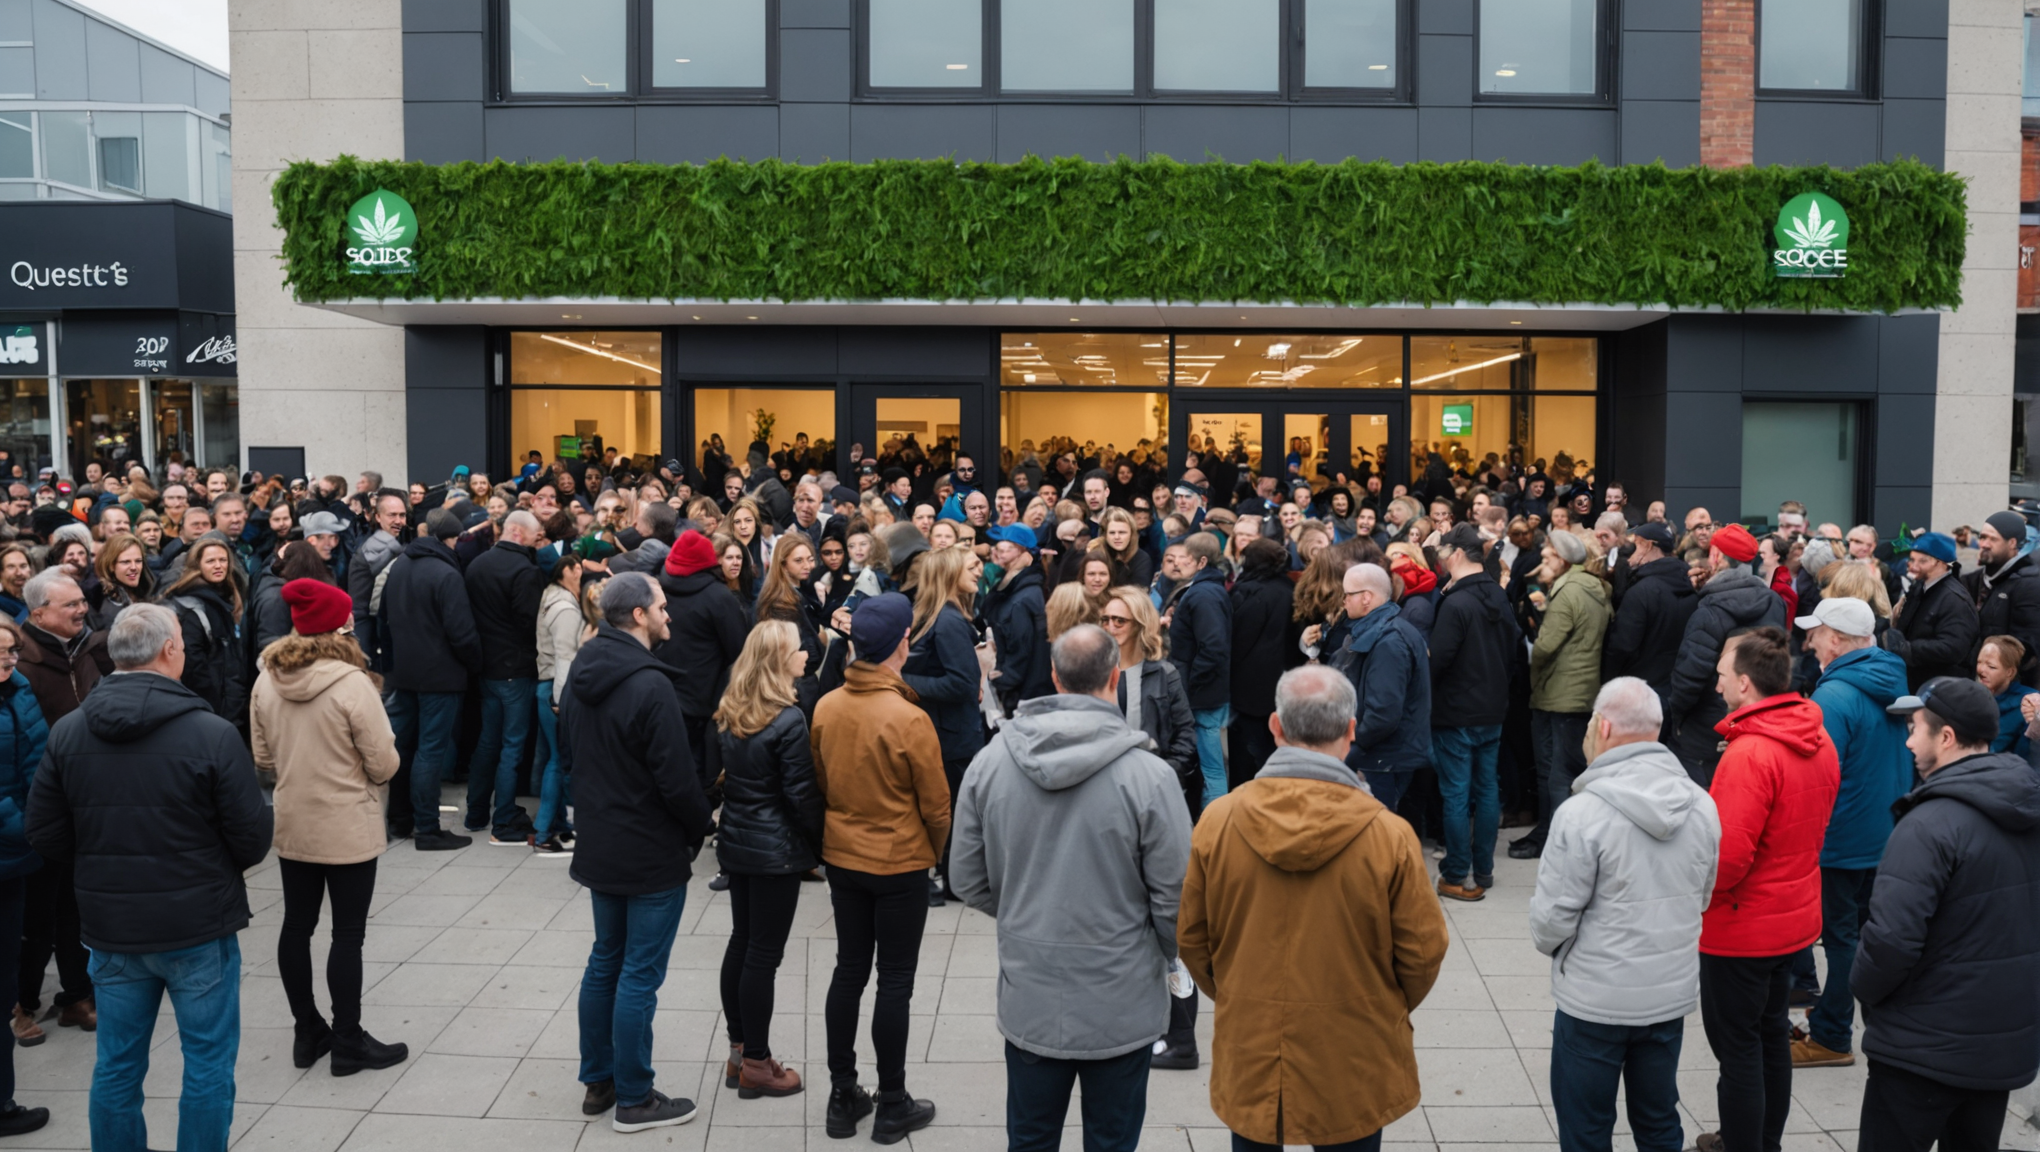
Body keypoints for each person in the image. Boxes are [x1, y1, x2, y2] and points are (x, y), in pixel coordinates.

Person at [26, 603, 272, 1152]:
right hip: (198, 928)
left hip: (114, 927)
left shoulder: (69, 731)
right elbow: (252, 836)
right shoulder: (209, 732)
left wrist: (100, 861)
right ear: (169, 650)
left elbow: (44, 830)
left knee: (116, 1065)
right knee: (207, 1064)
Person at [1177, 665, 1449, 1152]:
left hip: (1252, 1037)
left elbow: (1194, 937)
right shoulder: (1390, 835)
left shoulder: (1218, 821)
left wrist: (1239, 994)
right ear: (1351, 731)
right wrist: (1382, 1003)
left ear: (1276, 727)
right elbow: (1423, 951)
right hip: (1354, 1043)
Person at [948, 624, 1193, 1152]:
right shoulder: (1150, 776)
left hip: (1031, 989)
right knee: (1112, 1139)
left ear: (1054, 676)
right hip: (1122, 993)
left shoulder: (990, 762)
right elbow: (1174, 896)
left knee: (1031, 1137)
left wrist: (1024, 911)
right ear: (1114, 678)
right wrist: (1168, 953)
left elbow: (967, 877)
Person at [1529, 677, 1720, 1152]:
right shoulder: (1701, 804)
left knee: (1586, 1128)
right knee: (1658, 1122)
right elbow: (1703, 894)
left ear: (1605, 726)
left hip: (1595, 999)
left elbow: (1551, 919)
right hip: (1666, 995)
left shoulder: (1581, 813)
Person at [1853, 677, 2040, 1152]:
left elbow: (1890, 941)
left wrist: (1865, 994)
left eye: (1915, 728)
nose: (1909, 740)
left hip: (1922, 1050)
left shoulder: (1929, 824)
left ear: (1947, 737)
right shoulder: (2027, 803)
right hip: (1999, 1046)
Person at [560, 572, 714, 1132]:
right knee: (637, 974)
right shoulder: (650, 686)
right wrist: (700, 827)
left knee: (607, 960)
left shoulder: (585, 667)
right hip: (649, 851)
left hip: (604, 841)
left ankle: (599, 1080)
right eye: (664, 607)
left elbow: (568, 751)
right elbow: (677, 781)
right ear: (640, 617)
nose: (670, 614)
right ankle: (634, 1097)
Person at [248, 579, 408, 1076]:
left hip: (294, 820)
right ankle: (347, 1040)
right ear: (341, 627)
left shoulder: (265, 679)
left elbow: (262, 758)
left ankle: (306, 1030)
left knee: (296, 926)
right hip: (346, 824)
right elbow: (383, 763)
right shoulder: (352, 682)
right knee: (348, 933)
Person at [1693, 627, 1838, 1152]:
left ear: (1747, 684)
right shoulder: (1814, 737)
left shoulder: (1750, 753)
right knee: (1772, 1037)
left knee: (1738, 1052)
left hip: (1743, 927)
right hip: (1793, 917)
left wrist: (1694, 894)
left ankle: (1741, 1144)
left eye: (1722, 677)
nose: (1716, 686)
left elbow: (1727, 860)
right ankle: (1764, 1142)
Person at [809, 592, 946, 1144]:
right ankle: (892, 1102)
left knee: (849, 971)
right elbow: (936, 805)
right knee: (895, 981)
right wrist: (932, 853)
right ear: (901, 644)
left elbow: (821, 780)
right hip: (899, 861)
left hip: (844, 857)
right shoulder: (909, 717)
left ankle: (844, 1093)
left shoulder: (827, 707)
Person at [1788, 597, 1913, 1069]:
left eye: (1816, 633)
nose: (1810, 641)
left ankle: (1832, 1036)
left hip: (1841, 839)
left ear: (1836, 639)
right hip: (1882, 832)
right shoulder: (1888, 677)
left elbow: (1817, 773)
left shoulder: (1834, 695)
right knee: (1860, 936)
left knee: (1841, 940)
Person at [713, 620, 824, 1101]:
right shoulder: (787, 719)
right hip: (775, 850)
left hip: (738, 842)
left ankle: (740, 1050)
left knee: (742, 942)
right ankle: (758, 1062)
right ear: (781, 660)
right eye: (799, 650)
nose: (806, 655)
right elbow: (801, 796)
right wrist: (820, 845)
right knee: (764, 954)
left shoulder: (732, 708)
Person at [381, 507, 484, 849]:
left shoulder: (399, 566)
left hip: (402, 674)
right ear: (448, 539)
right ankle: (427, 828)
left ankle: (399, 819)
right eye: (456, 540)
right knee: (430, 751)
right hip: (439, 678)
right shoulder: (446, 574)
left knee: (403, 748)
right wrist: (474, 665)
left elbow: (382, 620)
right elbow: (462, 633)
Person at [1428, 524, 1520, 898]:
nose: (1438, 560)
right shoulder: (1496, 596)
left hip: (1457, 713)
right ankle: (1482, 871)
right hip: (1492, 709)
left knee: (1456, 794)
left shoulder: (1457, 603)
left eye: (1441, 553)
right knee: (1485, 791)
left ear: (1456, 555)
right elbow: (1513, 650)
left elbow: (1438, 662)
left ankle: (1456, 873)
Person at [1661, 523, 1788, 785]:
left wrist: (1677, 719)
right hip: (1756, 718)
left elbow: (1689, 677)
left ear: (1717, 556)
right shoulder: (1774, 602)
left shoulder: (1709, 611)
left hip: (1704, 729)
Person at [462, 509, 544, 844]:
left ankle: (476, 813)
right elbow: (530, 623)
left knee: (487, 742)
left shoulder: (478, 564)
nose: (538, 543)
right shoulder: (525, 571)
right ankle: (505, 817)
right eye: (537, 537)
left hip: (487, 668)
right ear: (520, 534)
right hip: (515, 669)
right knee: (512, 745)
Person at [652, 530, 749, 797]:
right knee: (694, 774)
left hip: (659, 694)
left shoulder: (657, 592)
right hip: (702, 702)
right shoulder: (719, 597)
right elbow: (740, 651)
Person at [1331, 563, 1431, 809]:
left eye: (1347, 594)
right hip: (1382, 756)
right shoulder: (1384, 629)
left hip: (1382, 759)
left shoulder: (1389, 641)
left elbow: (1383, 713)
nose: (1343, 601)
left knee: (1376, 837)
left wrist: (1350, 750)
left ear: (1366, 597)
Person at [0, 618, 46, 1135]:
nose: (9, 660)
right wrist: (21, 822)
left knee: (5, 977)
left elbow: (38, 758)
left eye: (13, 650)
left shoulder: (20, 691)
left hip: (16, 855)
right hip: (13, 835)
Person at [1167, 532, 1233, 807]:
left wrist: (1191, 684)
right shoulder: (1207, 590)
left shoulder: (1203, 595)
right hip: (1206, 692)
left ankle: (1215, 830)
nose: (1179, 562)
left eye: (1187, 558)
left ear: (1202, 561)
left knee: (1212, 768)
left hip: (1204, 696)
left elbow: (1213, 647)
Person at [1226, 537, 1296, 790]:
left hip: (1247, 692)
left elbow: (1236, 640)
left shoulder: (1246, 591)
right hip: (1280, 689)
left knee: (1244, 763)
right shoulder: (1289, 589)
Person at [162, 538, 250, 730]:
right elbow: (193, 663)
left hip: (229, 701)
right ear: (197, 565)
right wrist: (213, 702)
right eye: (211, 561)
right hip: (213, 707)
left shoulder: (223, 596)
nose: (219, 566)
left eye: (223, 560)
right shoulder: (192, 606)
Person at [1600, 521, 1697, 695]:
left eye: (1636, 546)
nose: (1630, 557)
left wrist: (1607, 682)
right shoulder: (1691, 585)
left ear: (1648, 546)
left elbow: (1622, 646)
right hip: (1678, 686)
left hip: (1640, 690)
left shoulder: (1641, 592)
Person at [530, 552, 586, 854]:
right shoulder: (566, 609)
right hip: (555, 688)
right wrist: (562, 700)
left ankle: (561, 827)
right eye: (580, 567)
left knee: (554, 759)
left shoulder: (550, 596)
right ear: (572, 570)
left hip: (546, 686)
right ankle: (542, 834)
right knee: (558, 762)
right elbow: (566, 657)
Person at [1883, 532, 1979, 691]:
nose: (1913, 566)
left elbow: (1954, 648)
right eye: (1912, 560)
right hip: (1916, 682)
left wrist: (1908, 649)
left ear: (1940, 563)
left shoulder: (1955, 600)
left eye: (1922, 561)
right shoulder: (1919, 588)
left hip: (1940, 690)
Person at [981, 524, 1052, 713]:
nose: (1001, 551)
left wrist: (1000, 681)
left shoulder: (1023, 598)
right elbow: (988, 609)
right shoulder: (1013, 586)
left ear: (1024, 553)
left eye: (1009, 547)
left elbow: (1020, 651)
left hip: (1022, 697)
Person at [1964, 510, 2040, 685]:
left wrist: (1996, 674)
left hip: (2009, 688)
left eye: (1993, 539)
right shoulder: (1974, 579)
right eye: (1982, 537)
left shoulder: (2029, 583)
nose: (1984, 544)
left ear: (2012, 543)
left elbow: (2029, 647)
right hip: (1974, 680)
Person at [1977, 634, 2036, 757]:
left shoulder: (2029, 702)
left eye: (1991, 667)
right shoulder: (1970, 693)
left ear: (2010, 672)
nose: (1981, 670)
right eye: (1979, 662)